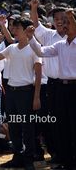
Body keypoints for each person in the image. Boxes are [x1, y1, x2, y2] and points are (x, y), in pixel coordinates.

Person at [29, 9, 76, 170]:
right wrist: (30, 38)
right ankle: (66, 161)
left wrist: (71, 16)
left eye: (69, 22)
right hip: (60, 89)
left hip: (74, 88)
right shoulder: (60, 44)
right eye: (63, 22)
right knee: (62, 125)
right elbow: (40, 51)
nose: (65, 25)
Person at [0, 17, 42, 170]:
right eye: (13, 28)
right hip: (12, 92)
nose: (14, 31)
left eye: (17, 28)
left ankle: (29, 160)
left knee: (27, 127)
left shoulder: (35, 48)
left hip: (26, 92)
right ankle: (17, 156)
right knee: (14, 127)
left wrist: (36, 97)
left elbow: (39, 74)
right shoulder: (12, 48)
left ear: (27, 30)